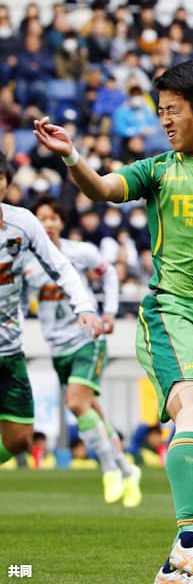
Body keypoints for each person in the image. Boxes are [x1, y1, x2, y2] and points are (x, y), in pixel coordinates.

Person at [33, 59, 193, 584]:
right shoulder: (158, 169)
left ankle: (182, 563)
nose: (164, 120)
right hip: (170, 309)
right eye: (160, 111)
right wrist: (73, 158)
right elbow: (102, 189)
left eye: (173, 110)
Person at [25, 194, 141, 506]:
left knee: (76, 402)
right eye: (41, 218)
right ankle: (128, 469)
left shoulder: (82, 252)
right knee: (92, 410)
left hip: (88, 339)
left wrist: (109, 312)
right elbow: (21, 301)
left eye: (53, 217)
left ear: (61, 222)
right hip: (57, 347)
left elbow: (109, 275)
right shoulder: (27, 262)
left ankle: (108, 470)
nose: (47, 223)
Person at [0, 152, 103, 474]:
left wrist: (84, 306)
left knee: (20, 439)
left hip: (9, 349)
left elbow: (60, 266)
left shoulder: (22, 223)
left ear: (7, 184)